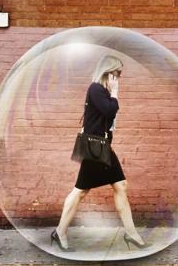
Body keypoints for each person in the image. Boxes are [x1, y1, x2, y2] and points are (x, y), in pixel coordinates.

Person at [51, 55, 149, 251]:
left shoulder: (103, 91)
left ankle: (131, 233)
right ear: (108, 72)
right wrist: (115, 93)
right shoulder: (96, 88)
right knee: (80, 191)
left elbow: (108, 113)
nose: (119, 77)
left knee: (120, 185)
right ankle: (60, 231)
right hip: (95, 148)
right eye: (117, 73)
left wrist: (112, 93)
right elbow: (109, 111)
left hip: (103, 147)